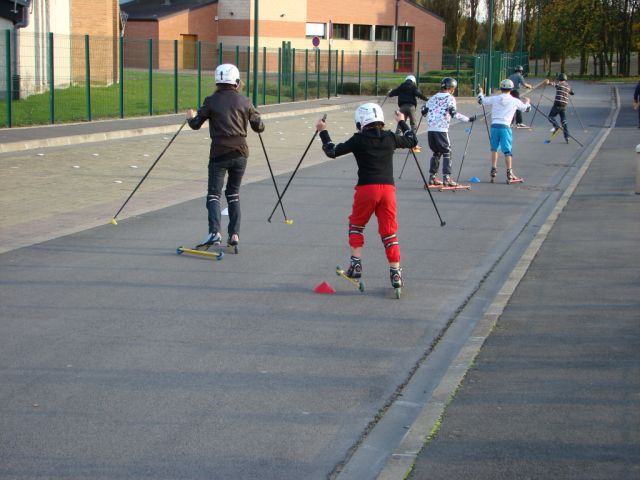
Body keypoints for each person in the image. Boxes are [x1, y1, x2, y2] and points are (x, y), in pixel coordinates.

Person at [315, 103, 417, 290]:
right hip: (388, 190)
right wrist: (402, 122)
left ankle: (356, 263)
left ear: (361, 121)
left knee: (356, 224)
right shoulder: (390, 137)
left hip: (366, 189)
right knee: (388, 231)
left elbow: (332, 151)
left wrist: (323, 132)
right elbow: (412, 140)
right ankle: (395, 273)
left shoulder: (358, 139)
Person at [186, 63, 264, 250]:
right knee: (233, 193)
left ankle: (214, 233)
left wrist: (190, 117)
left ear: (217, 81)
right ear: (236, 82)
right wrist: (255, 116)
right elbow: (259, 127)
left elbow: (196, 124)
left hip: (219, 153)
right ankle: (234, 234)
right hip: (240, 153)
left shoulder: (211, 100)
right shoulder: (245, 101)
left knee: (214, 194)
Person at [421, 77, 476, 187]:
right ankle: (447, 178)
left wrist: (428, 112)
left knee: (436, 152)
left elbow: (423, 111)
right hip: (441, 129)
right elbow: (453, 113)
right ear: (451, 88)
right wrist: (468, 119)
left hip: (431, 129)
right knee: (447, 152)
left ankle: (432, 177)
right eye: (453, 88)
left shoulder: (433, 97)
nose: (454, 90)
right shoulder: (450, 98)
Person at [477, 79, 531, 184]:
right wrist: (528, 102)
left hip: (494, 126)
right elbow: (527, 109)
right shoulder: (515, 101)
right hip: (505, 127)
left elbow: (481, 100)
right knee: (507, 151)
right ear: (511, 89)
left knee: (494, 148)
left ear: (501, 88)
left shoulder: (495, 98)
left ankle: (493, 169)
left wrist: (480, 92)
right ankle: (509, 172)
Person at [388, 75, 428, 152]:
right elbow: (418, 94)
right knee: (413, 125)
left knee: (400, 124)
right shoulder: (413, 87)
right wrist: (427, 99)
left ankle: (393, 145)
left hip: (402, 108)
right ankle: (413, 145)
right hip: (411, 107)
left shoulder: (401, 87)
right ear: (413, 81)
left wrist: (389, 93)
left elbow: (392, 93)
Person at [545, 73, 574, 144]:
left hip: (557, 104)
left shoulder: (560, 84)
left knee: (550, 117)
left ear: (560, 79)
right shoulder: (568, 86)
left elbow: (554, 84)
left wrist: (548, 83)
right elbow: (572, 92)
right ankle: (567, 137)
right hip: (564, 105)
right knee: (564, 121)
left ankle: (556, 126)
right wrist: (569, 92)